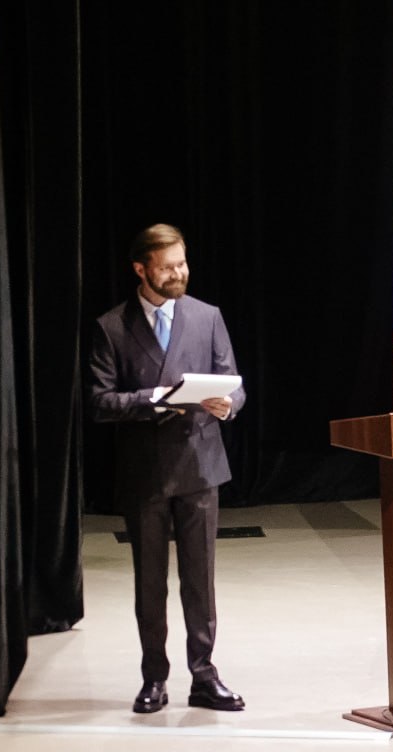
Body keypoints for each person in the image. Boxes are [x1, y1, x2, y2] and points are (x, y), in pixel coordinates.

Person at [87, 223, 247, 714]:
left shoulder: (206, 316)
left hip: (199, 465)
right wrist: (153, 398)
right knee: (150, 583)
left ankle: (205, 674)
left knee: (200, 580)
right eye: (168, 267)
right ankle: (154, 677)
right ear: (141, 269)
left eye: (182, 263)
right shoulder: (112, 326)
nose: (179, 273)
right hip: (146, 472)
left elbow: (233, 382)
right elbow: (99, 401)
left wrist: (229, 404)